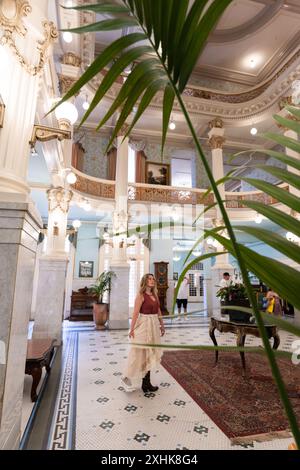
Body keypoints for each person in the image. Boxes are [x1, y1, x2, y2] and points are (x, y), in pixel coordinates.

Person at [121, 273, 165, 394]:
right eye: (149, 279)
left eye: (153, 279)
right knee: (138, 353)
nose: (152, 280)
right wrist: (132, 329)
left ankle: (146, 384)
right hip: (144, 324)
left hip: (153, 324)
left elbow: (159, 310)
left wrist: (162, 324)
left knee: (149, 354)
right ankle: (125, 377)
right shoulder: (141, 296)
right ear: (145, 281)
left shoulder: (155, 295)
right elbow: (135, 313)